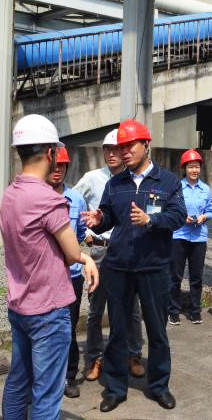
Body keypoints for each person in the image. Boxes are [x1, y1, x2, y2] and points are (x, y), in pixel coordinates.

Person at [82, 119, 186, 412]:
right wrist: (98, 219)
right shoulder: (116, 184)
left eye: (130, 146)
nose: (124, 152)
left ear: (146, 145)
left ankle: (159, 386)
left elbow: (178, 216)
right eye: (121, 147)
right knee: (118, 330)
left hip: (155, 267)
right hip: (119, 267)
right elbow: (108, 216)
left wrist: (152, 219)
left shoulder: (168, 181)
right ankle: (115, 389)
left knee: (157, 331)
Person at [0, 114, 98, 420]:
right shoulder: (48, 199)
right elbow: (72, 252)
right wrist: (87, 258)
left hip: (20, 305)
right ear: (51, 152)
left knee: (18, 382)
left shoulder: (10, 193)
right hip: (48, 309)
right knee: (47, 393)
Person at [73, 129, 146, 383]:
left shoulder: (134, 180)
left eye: (116, 148)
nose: (112, 153)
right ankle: (95, 358)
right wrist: (84, 233)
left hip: (127, 251)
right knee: (96, 309)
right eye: (107, 149)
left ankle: (133, 355)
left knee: (132, 307)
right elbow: (72, 202)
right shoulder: (92, 178)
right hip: (100, 250)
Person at [45, 143, 89, 398]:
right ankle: (42, 377)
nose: (58, 170)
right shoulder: (36, 197)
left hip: (71, 277)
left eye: (62, 165)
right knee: (42, 329)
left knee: (67, 328)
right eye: (54, 165)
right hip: (44, 277)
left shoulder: (77, 199)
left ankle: (68, 376)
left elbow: (81, 233)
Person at [169, 149, 212, 325]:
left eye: (197, 167)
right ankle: (173, 311)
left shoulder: (206, 189)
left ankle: (195, 311)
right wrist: (183, 217)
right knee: (175, 276)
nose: (194, 170)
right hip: (179, 235)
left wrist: (204, 217)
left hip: (199, 237)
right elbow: (171, 209)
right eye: (190, 167)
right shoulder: (177, 187)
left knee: (196, 277)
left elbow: (210, 210)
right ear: (184, 168)